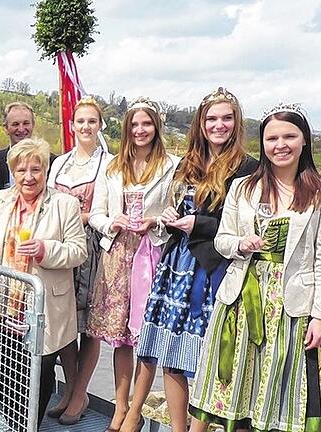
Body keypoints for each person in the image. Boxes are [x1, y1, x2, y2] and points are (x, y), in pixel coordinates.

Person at [125, 88, 258, 432]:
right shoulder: (188, 162)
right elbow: (180, 207)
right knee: (172, 357)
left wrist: (197, 223)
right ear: (200, 123)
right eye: (211, 118)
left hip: (214, 270)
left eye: (226, 118)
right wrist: (168, 216)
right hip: (175, 267)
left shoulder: (248, 168)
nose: (219, 125)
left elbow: (242, 227)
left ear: (236, 122)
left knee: (208, 361)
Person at [189, 104, 321, 432]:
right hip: (240, 298)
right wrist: (240, 244)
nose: (281, 144)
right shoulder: (244, 187)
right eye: (272, 138)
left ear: (304, 140)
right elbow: (222, 241)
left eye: (289, 136)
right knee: (236, 393)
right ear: (262, 143)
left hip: (290, 306)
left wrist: (318, 314)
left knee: (276, 395)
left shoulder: (317, 193)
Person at [0, 137, 87, 430]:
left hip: (44, 310)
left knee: (39, 375)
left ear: (45, 171)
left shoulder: (65, 204)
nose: (29, 177)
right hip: (1, 305)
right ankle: (15, 423)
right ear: (12, 172)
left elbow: (78, 251)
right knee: (4, 376)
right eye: (22, 170)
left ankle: (27, 427)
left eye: (36, 170)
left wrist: (47, 250)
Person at [87, 97, 179, 431]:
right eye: (135, 125)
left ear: (156, 127)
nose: (140, 130)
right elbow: (96, 212)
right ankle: (120, 404)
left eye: (147, 124)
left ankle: (137, 409)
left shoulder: (172, 165)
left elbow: (177, 212)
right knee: (120, 337)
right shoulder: (113, 166)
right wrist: (110, 222)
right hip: (117, 254)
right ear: (127, 128)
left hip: (151, 253)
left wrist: (155, 222)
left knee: (146, 336)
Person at [45, 96, 112, 425]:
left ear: (100, 125)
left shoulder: (109, 164)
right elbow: (46, 200)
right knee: (63, 321)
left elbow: (103, 211)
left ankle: (80, 391)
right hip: (61, 247)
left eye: (91, 121)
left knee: (90, 325)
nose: (86, 127)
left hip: (94, 248)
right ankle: (73, 389)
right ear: (71, 126)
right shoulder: (60, 163)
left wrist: (72, 215)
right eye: (80, 121)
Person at [0, 102, 57, 191]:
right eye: (15, 124)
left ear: (33, 125)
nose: (21, 129)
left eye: (26, 123)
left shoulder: (53, 162)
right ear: (5, 128)